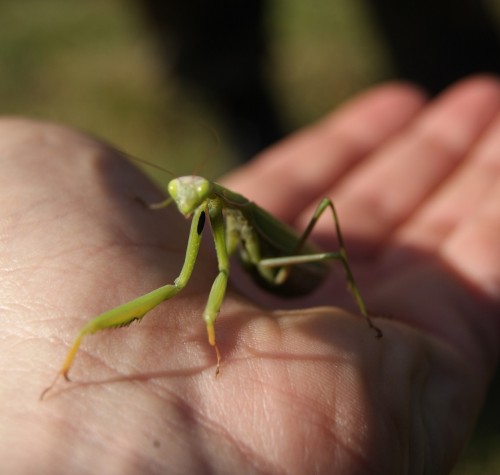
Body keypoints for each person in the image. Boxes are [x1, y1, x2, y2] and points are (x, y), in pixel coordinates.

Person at [0, 76, 498, 473]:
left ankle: (363, 312)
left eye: (186, 198)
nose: (181, 204)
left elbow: (200, 275)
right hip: (253, 261)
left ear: (210, 197)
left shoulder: (231, 210)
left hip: (288, 271)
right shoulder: (212, 207)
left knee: (330, 250)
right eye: (174, 197)